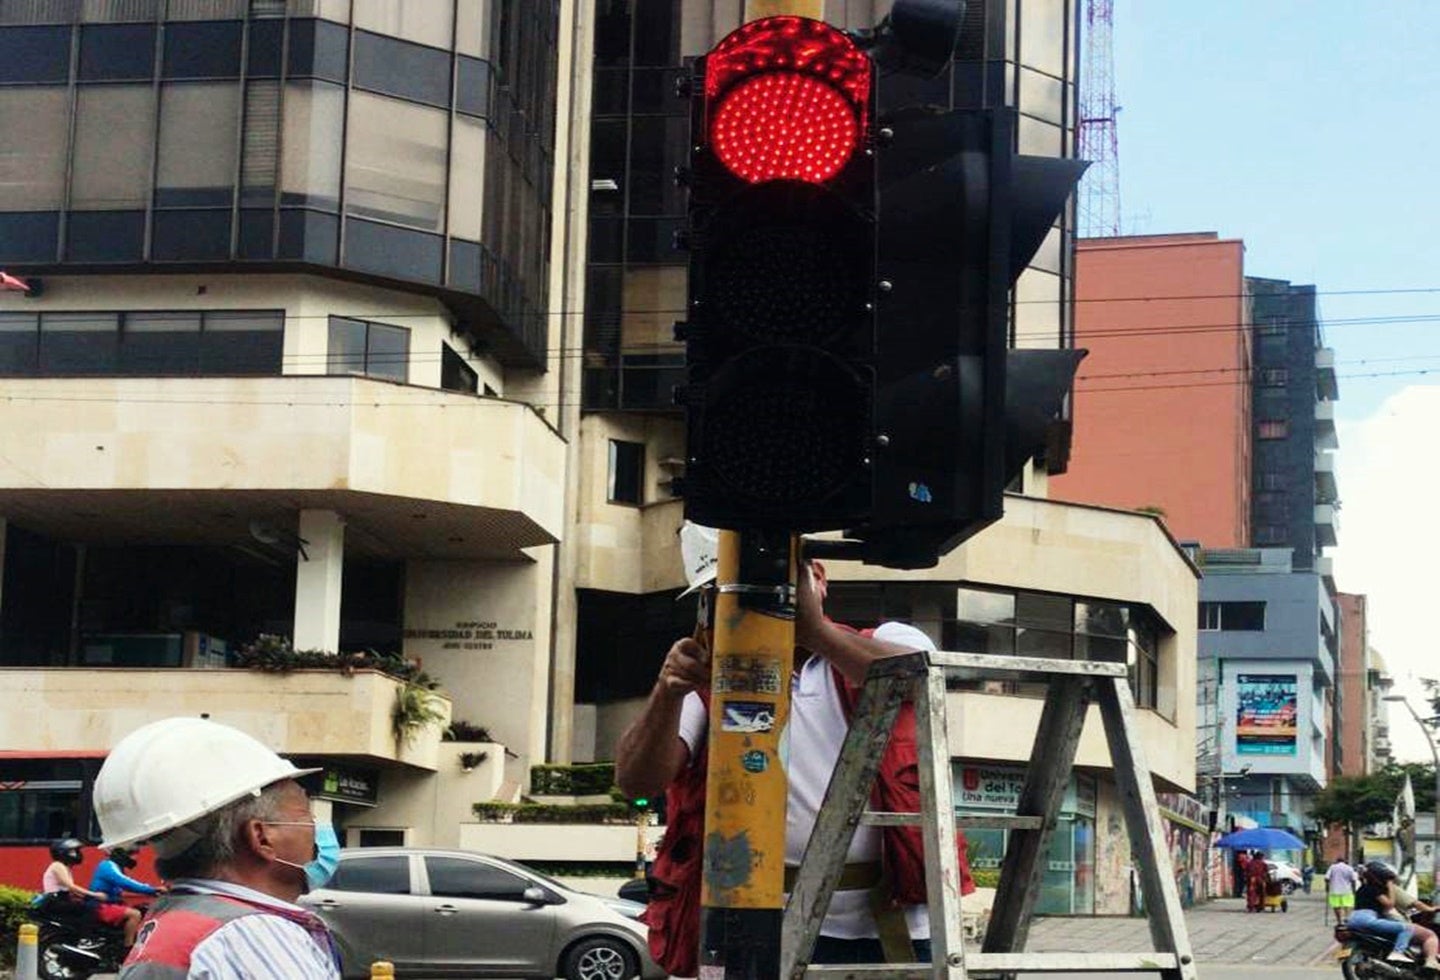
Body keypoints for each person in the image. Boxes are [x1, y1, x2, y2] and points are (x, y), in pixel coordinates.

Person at [616, 522, 974, 976]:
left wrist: (813, 630)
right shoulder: (707, 682)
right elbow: (636, 781)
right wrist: (668, 692)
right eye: (730, 594)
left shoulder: (891, 640)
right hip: (759, 925)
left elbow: (916, 679)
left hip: (890, 925)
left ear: (817, 579)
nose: (755, 606)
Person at [92, 716, 343, 979]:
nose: (316, 827)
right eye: (306, 814)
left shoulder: (182, 918)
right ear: (262, 837)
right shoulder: (253, 936)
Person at [38, 838, 144, 948]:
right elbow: (71, 886)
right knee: (90, 909)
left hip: (60, 899)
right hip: (56, 901)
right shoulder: (58, 865)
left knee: (86, 905)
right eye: (72, 852)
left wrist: (85, 896)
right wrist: (94, 895)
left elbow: (69, 890)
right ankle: (86, 939)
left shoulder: (64, 867)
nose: (76, 854)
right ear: (62, 853)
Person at [1346, 861, 1439, 972]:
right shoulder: (1377, 889)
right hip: (1367, 919)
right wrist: (1390, 885)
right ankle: (1398, 953)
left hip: (1354, 918)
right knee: (1407, 928)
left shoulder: (1362, 889)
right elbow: (1390, 904)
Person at [89, 847, 163, 948]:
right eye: (132, 854)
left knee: (143, 908)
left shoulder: (117, 867)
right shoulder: (108, 866)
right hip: (100, 905)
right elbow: (125, 882)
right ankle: (128, 946)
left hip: (111, 903)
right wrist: (152, 889)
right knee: (135, 914)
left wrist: (152, 892)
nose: (134, 858)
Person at [1325, 855, 1359, 926]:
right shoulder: (1349, 868)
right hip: (1347, 891)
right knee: (1348, 905)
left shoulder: (1332, 867)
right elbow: (1353, 879)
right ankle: (1347, 918)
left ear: (1337, 861)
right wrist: (1354, 889)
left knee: (1337, 906)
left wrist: (1327, 887)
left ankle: (1339, 921)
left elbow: (1327, 878)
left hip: (1335, 890)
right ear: (1345, 861)